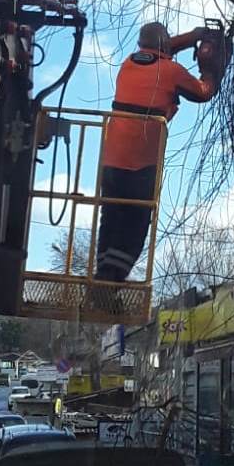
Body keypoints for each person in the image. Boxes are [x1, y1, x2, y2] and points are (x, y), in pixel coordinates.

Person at [95, 21, 224, 282]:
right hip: (141, 160)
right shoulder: (171, 71)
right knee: (137, 219)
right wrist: (211, 70)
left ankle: (102, 276)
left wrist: (193, 36)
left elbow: (160, 48)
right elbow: (203, 92)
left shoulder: (129, 64)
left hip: (110, 159)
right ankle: (110, 281)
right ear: (163, 43)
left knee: (111, 216)